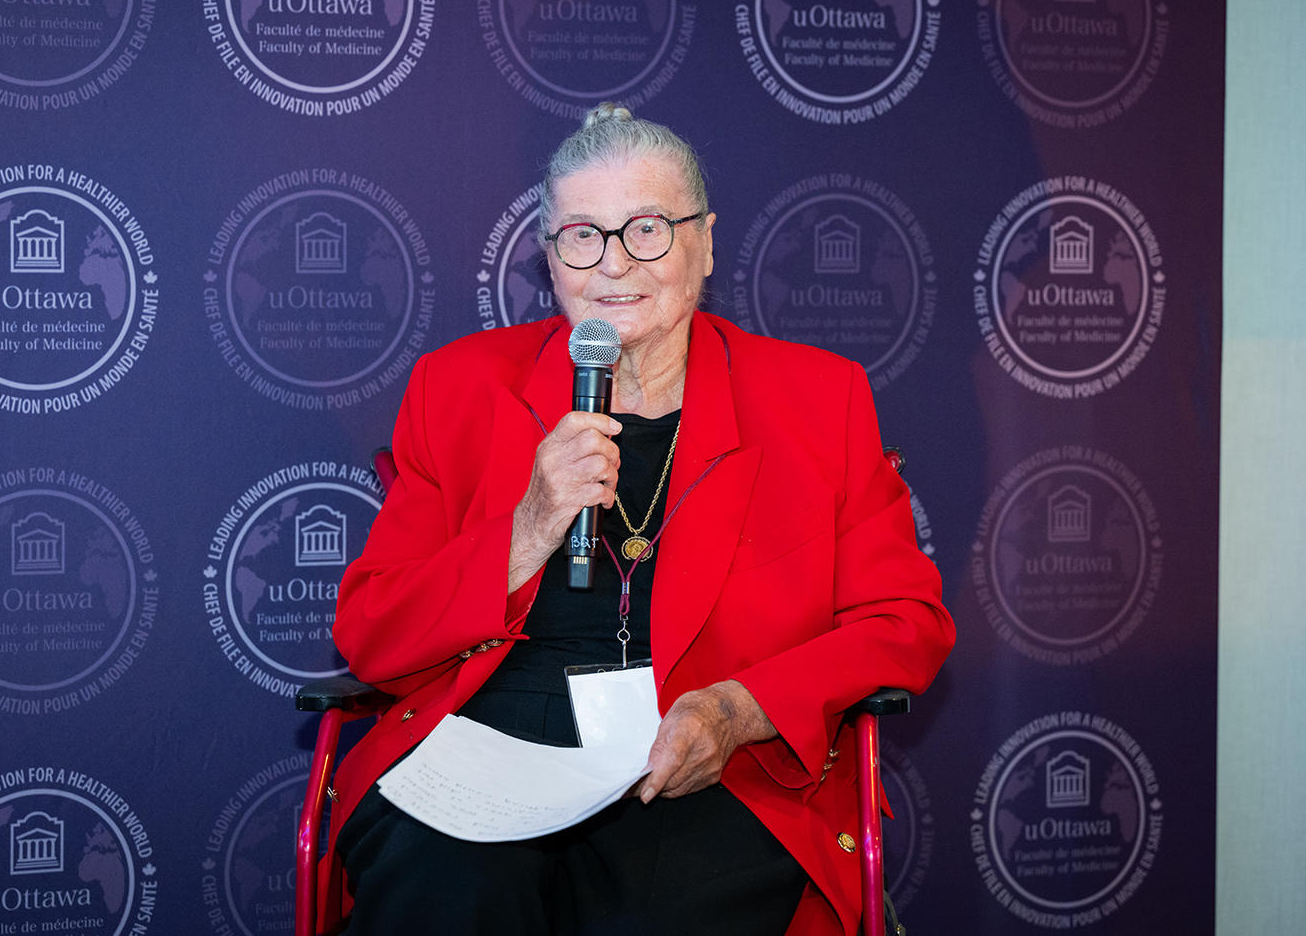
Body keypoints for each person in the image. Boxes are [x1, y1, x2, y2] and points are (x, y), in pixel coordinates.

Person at [326, 103, 955, 936]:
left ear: (703, 243)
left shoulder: (816, 397)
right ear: (549, 258)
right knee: (448, 892)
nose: (614, 264)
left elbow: (904, 623)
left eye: (648, 228)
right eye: (582, 235)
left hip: (705, 755)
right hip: (491, 741)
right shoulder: (459, 388)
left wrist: (738, 707)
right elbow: (371, 629)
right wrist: (527, 528)